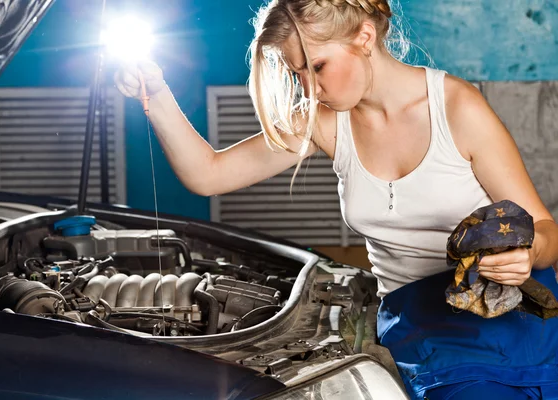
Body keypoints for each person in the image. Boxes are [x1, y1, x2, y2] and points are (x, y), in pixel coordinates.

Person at [114, 0, 558, 398]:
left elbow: (544, 229)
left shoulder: (458, 109)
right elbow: (208, 175)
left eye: (317, 67)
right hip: (419, 319)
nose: (308, 88)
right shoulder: (325, 122)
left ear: (365, 36)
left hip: (506, 309)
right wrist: (155, 93)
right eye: (296, 73)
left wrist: (526, 252)